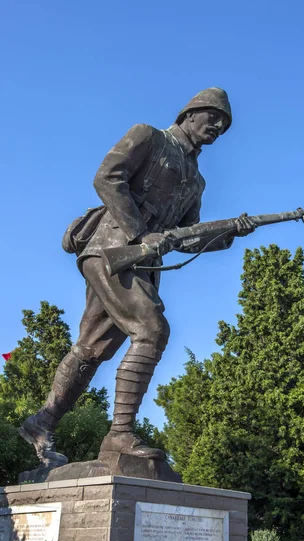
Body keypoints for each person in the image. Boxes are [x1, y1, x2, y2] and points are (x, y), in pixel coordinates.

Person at [19, 87, 255, 468]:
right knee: (152, 330)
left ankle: (42, 421)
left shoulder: (196, 181)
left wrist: (230, 232)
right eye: (212, 116)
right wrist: (139, 232)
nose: (217, 126)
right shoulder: (149, 136)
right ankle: (119, 436)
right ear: (189, 114)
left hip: (138, 265)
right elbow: (108, 177)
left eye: (224, 124)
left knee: (93, 348)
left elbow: (185, 236)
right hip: (112, 248)